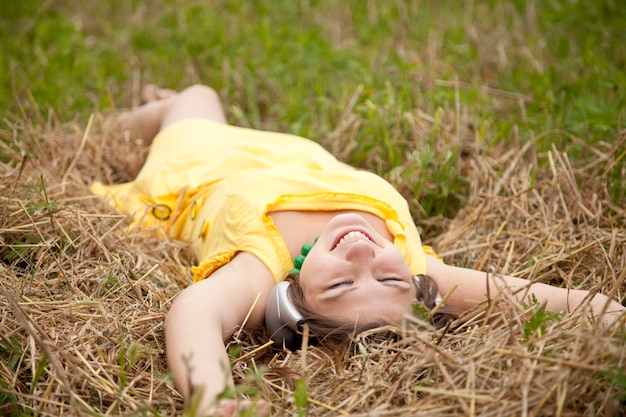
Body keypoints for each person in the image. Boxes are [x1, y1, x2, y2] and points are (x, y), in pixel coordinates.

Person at [92, 84, 625, 416]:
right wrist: (607, 313)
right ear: (416, 288)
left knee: (196, 98)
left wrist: (208, 394)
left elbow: (197, 310)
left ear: (294, 293)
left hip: (204, 159)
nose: (364, 260)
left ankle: (120, 126)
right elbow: (533, 298)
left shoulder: (262, 266)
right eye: (389, 280)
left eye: (340, 284)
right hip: (292, 157)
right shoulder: (419, 269)